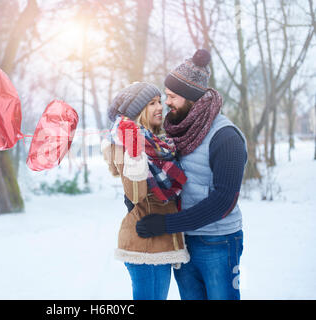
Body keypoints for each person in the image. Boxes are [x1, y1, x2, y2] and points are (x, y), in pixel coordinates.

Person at [135, 49, 248, 300]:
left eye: (172, 96)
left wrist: (165, 225)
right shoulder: (176, 131)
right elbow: (165, 177)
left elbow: (224, 202)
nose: (167, 103)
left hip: (218, 242)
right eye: (166, 96)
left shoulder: (226, 137)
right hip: (183, 242)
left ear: (192, 98)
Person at [101, 82, 190, 300]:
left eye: (159, 101)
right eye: (152, 103)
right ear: (138, 111)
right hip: (145, 245)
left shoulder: (160, 143)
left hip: (161, 241)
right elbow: (135, 194)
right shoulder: (125, 145)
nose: (160, 107)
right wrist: (134, 153)